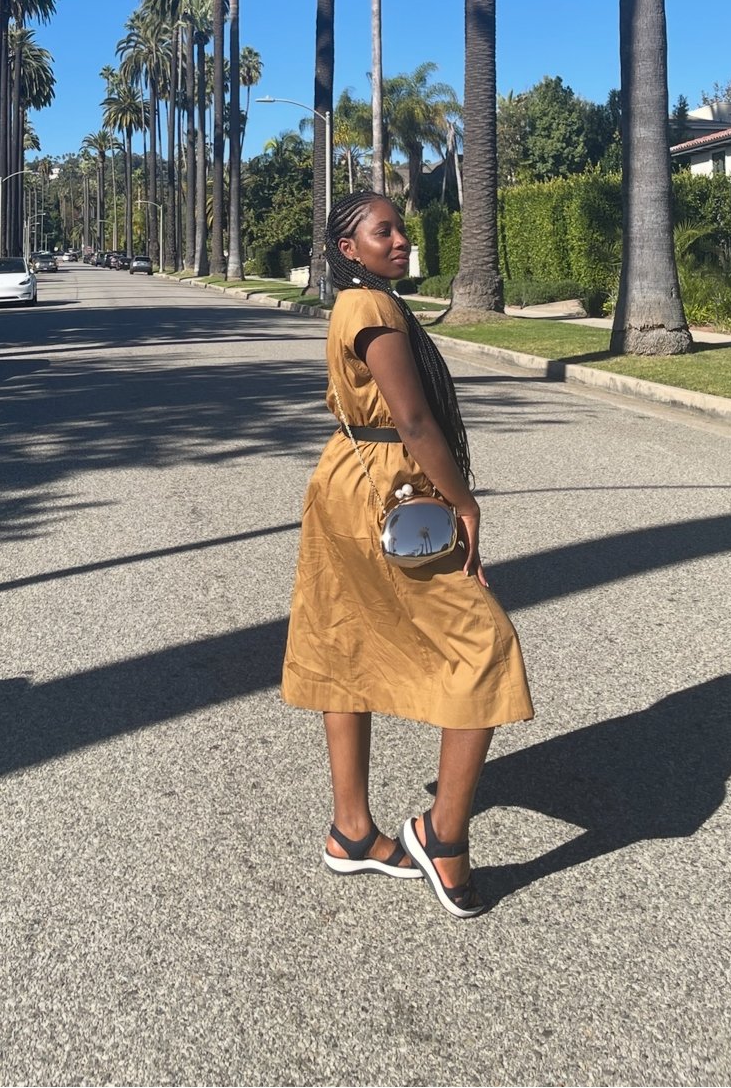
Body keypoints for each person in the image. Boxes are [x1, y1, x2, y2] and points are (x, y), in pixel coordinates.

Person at [281, 191, 533, 918]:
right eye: (380, 230)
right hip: (387, 488)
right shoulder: (373, 309)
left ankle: (352, 829)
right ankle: (441, 836)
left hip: (344, 479)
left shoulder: (360, 304)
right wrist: (465, 503)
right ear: (347, 248)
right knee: (484, 641)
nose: (399, 238)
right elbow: (415, 420)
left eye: (400, 227)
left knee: (344, 640)